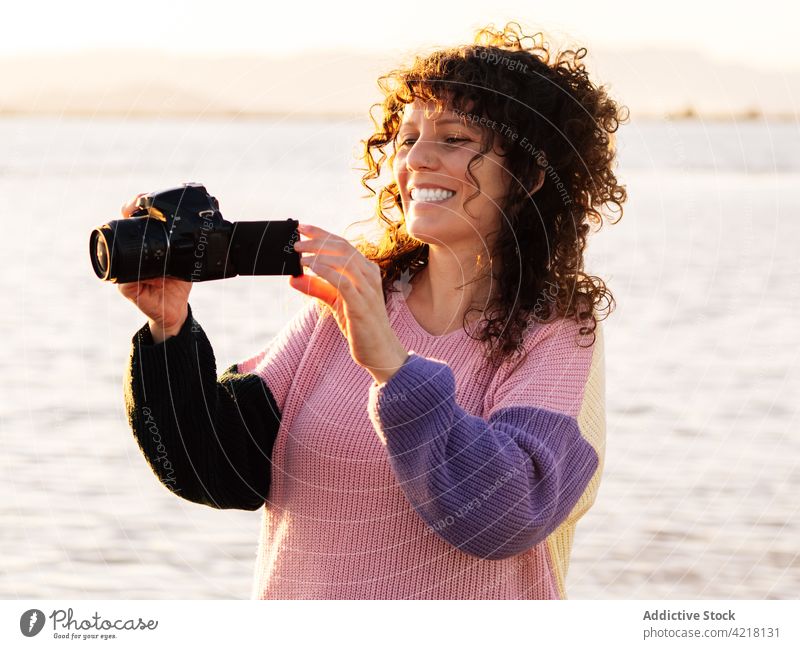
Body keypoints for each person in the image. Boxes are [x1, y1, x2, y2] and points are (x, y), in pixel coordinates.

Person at [120, 22, 628, 599]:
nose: (418, 160)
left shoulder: (558, 333)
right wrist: (169, 328)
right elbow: (217, 467)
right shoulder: (354, 299)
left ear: (531, 176)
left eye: (455, 139)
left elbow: (505, 514)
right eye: (407, 139)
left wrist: (390, 363)